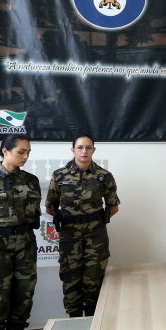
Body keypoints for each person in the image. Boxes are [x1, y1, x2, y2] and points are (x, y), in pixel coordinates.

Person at [45, 135, 120, 319]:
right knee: (70, 277)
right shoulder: (59, 175)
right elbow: (50, 206)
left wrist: (93, 220)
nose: (84, 151)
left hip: (96, 234)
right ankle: (75, 319)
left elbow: (113, 207)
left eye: (88, 147)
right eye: (80, 147)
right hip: (69, 234)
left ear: (94, 150)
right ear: (73, 150)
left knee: (94, 276)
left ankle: (94, 319)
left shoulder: (104, 176)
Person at [0, 136, 40, 330]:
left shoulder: (31, 180)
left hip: (26, 244)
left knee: (24, 297)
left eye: (28, 152)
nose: (26, 156)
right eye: (21, 152)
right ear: (5, 151)